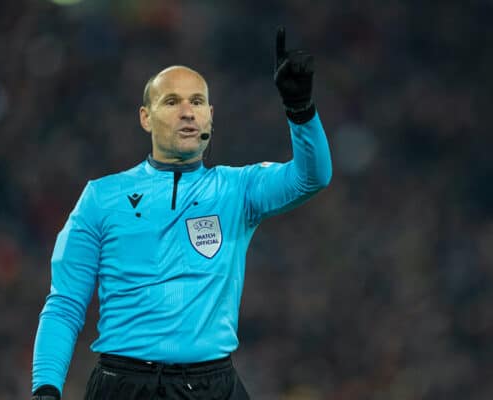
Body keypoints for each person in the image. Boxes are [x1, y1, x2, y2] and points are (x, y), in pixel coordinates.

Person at [31, 27, 332, 400]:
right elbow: (64, 304)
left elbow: (313, 176)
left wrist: (300, 110)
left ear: (210, 117)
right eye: (171, 101)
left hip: (214, 385)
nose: (187, 111)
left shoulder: (238, 190)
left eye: (198, 102)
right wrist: (46, 388)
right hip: (124, 385)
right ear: (145, 117)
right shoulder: (101, 197)